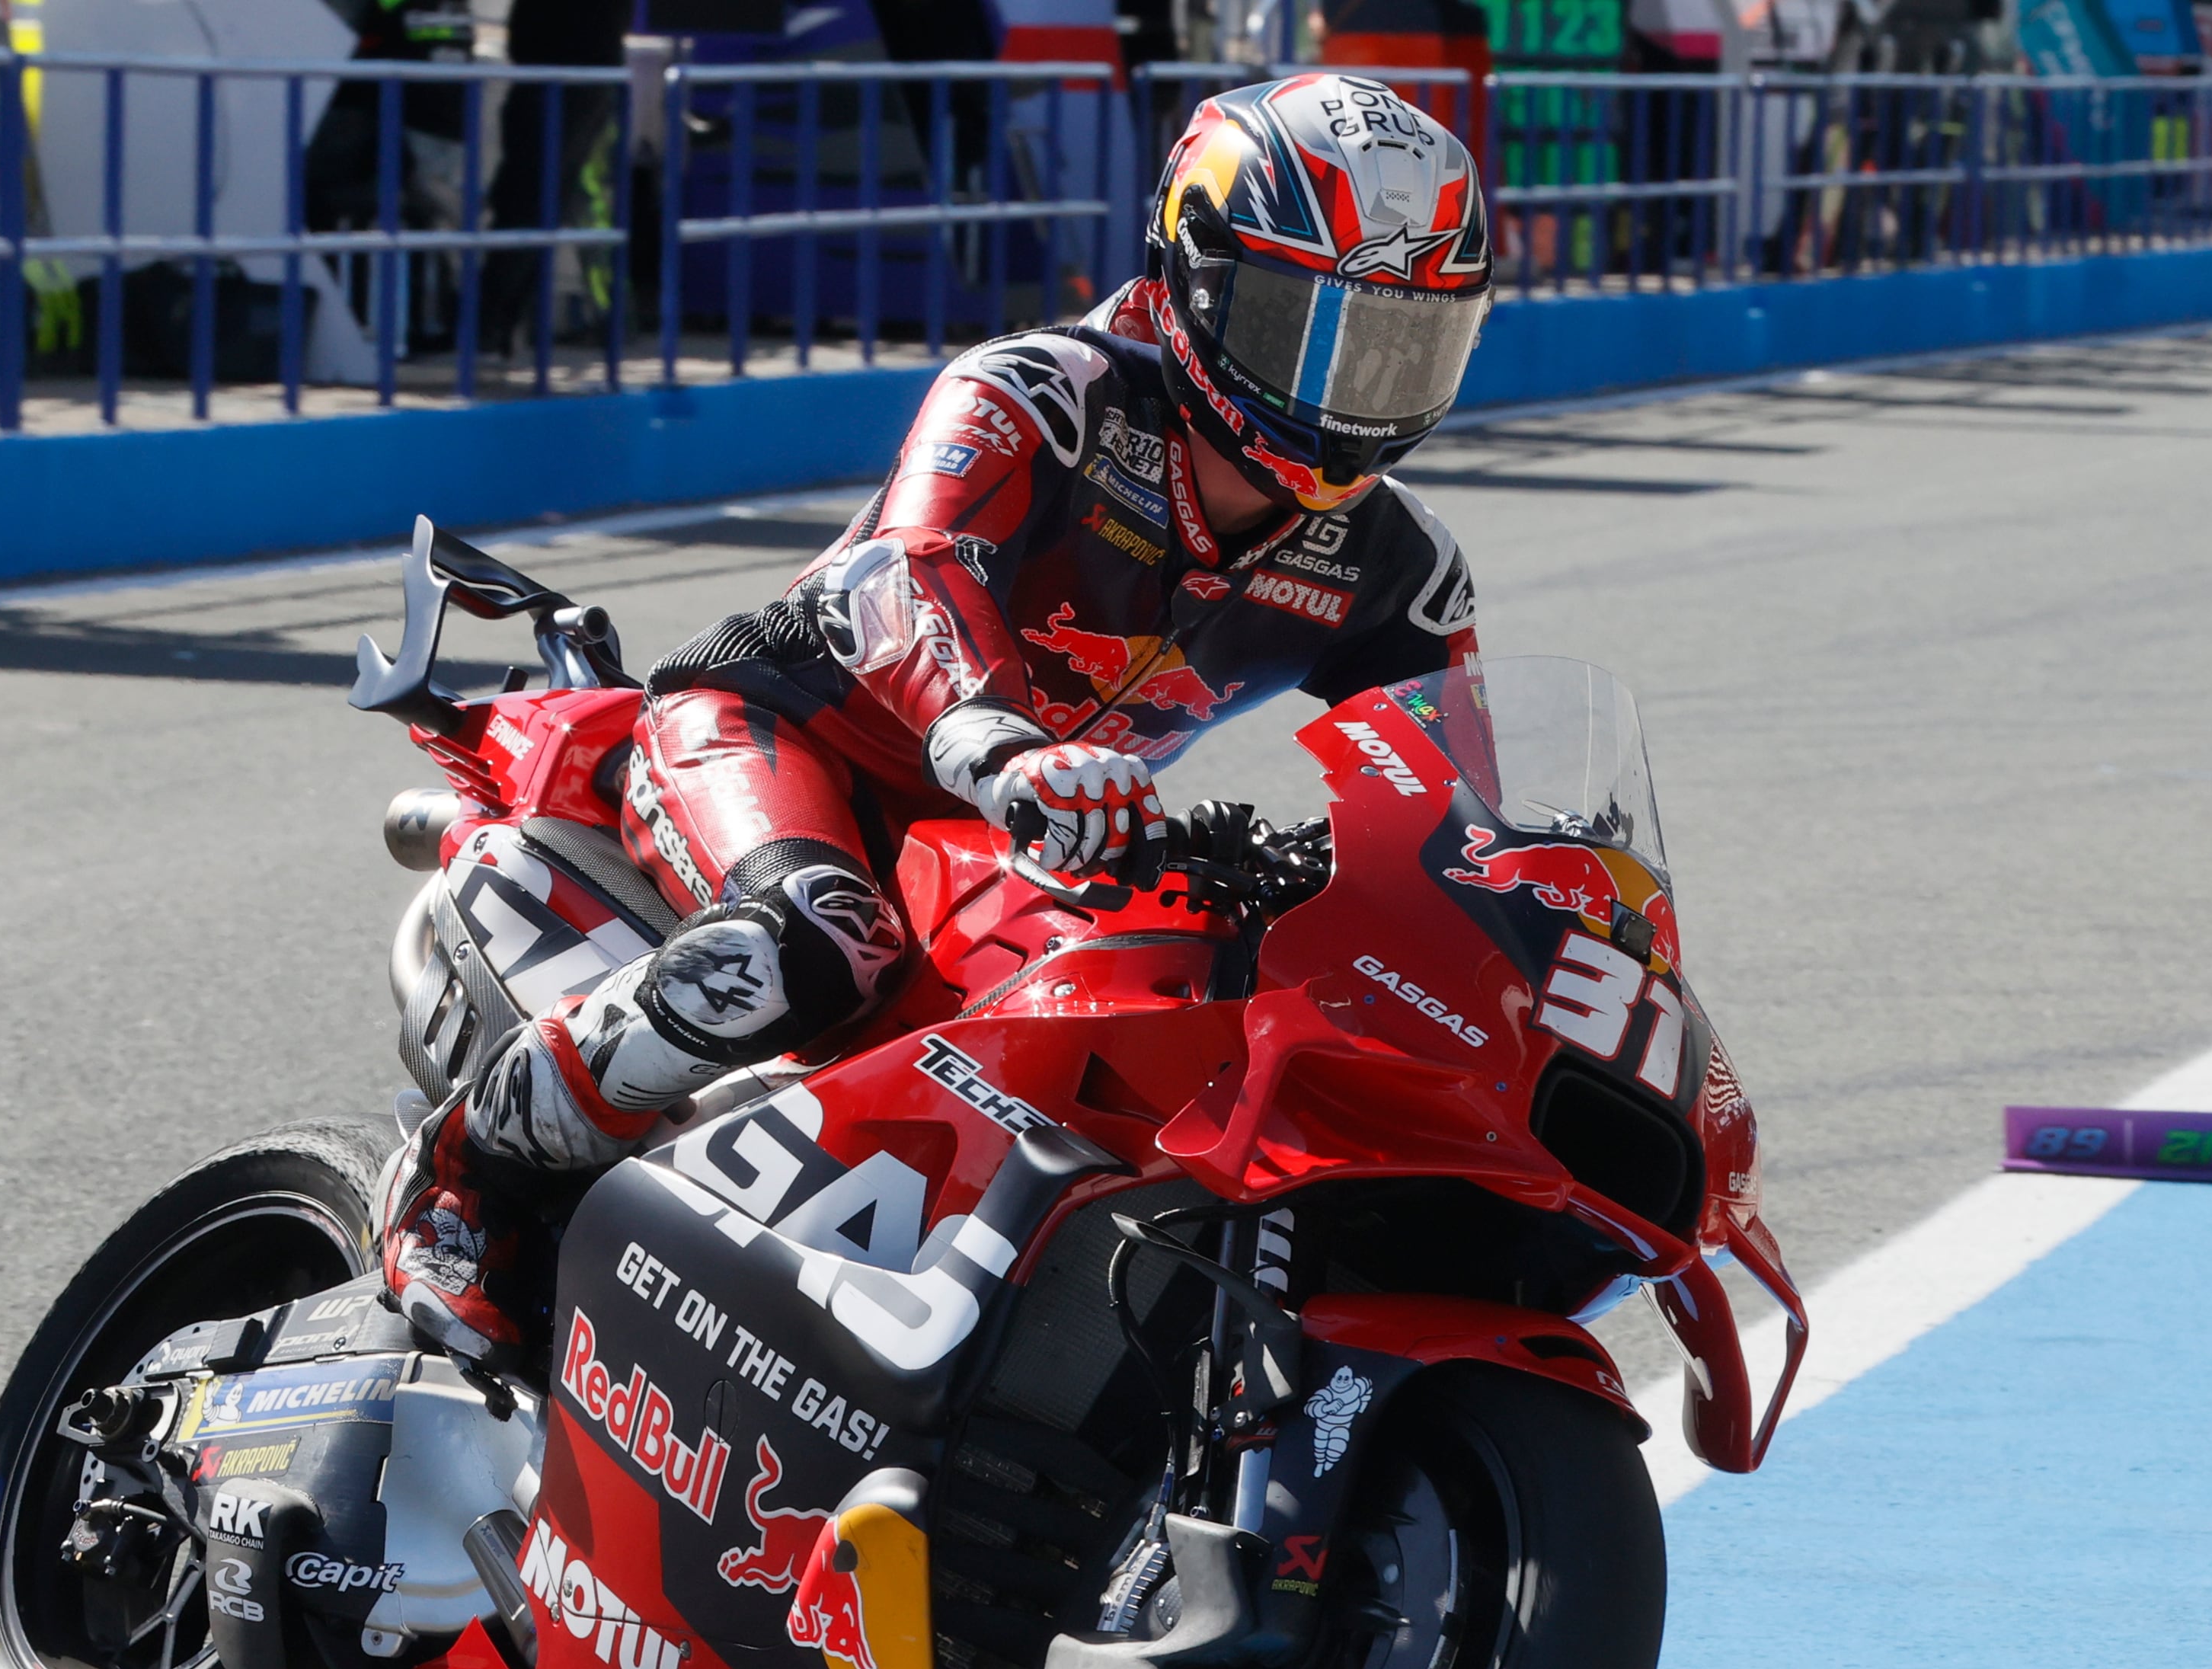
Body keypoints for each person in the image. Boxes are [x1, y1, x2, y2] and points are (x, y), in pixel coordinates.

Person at [385, 74, 1494, 1365]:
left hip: (1008, 842)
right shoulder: (1046, 394)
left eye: (1397, 346)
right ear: (1196, 280)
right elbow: (906, 573)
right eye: (1310, 328)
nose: (1351, 390)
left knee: (1154, 1043)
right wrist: (1002, 743)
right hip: (783, 731)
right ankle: (461, 1181)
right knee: (814, 943)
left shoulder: (1398, 567)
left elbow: (1453, 800)